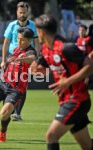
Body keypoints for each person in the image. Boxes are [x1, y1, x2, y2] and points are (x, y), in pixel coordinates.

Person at [31, 14, 93, 150]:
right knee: (87, 145)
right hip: (66, 100)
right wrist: (36, 69)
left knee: (51, 136)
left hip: (77, 100)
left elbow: (90, 65)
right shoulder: (46, 48)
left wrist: (67, 82)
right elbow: (46, 68)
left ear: (41, 31)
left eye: (37, 30)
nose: (36, 34)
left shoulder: (66, 47)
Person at [1, 1, 40, 121]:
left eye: (24, 12)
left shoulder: (32, 25)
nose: (22, 14)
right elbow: (6, 43)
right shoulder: (12, 25)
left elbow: (37, 43)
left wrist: (36, 59)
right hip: (12, 57)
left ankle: (17, 113)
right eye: (20, 12)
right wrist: (3, 60)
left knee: (23, 85)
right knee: (7, 84)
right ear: (17, 13)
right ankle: (7, 110)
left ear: (27, 12)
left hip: (27, 57)